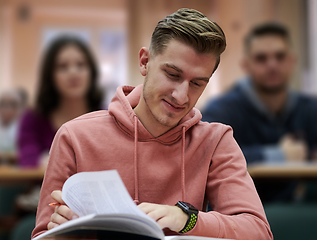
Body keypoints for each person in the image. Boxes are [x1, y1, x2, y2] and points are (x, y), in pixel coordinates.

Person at [32, 9, 272, 239]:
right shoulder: (75, 137)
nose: (181, 96)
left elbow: (258, 232)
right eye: (172, 75)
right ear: (145, 62)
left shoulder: (216, 141)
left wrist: (186, 219)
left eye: (197, 83)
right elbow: (43, 235)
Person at [202, 23, 317, 203]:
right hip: (239, 212)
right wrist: (279, 155)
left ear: (292, 61)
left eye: (280, 56)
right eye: (261, 58)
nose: (272, 65)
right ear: (246, 65)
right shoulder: (222, 110)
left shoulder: (310, 108)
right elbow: (203, 154)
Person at [17, 36, 104, 168]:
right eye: (62, 67)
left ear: (92, 72)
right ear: (50, 75)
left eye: (81, 65)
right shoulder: (32, 119)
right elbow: (28, 163)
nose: (73, 73)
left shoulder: (107, 117)